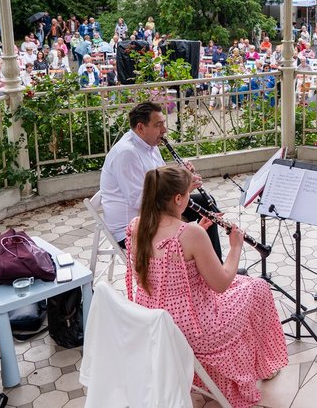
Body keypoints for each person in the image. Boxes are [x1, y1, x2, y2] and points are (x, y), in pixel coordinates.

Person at [126, 165, 287, 407]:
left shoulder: (136, 225)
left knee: (244, 286)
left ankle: (221, 376)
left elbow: (164, 267)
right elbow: (222, 283)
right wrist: (236, 246)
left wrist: (198, 233)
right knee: (257, 287)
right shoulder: (189, 235)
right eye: (188, 194)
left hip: (154, 322)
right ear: (178, 198)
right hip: (195, 329)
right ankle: (262, 368)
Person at [100, 102, 222, 258]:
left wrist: (180, 174)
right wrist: (184, 189)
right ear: (140, 128)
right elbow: (140, 202)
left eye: (163, 124)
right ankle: (206, 272)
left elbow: (162, 181)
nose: (164, 130)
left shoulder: (149, 144)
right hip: (134, 226)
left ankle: (216, 267)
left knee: (206, 204)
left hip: (154, 214)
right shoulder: (127, 154)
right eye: (158, 125)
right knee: (194, 234)